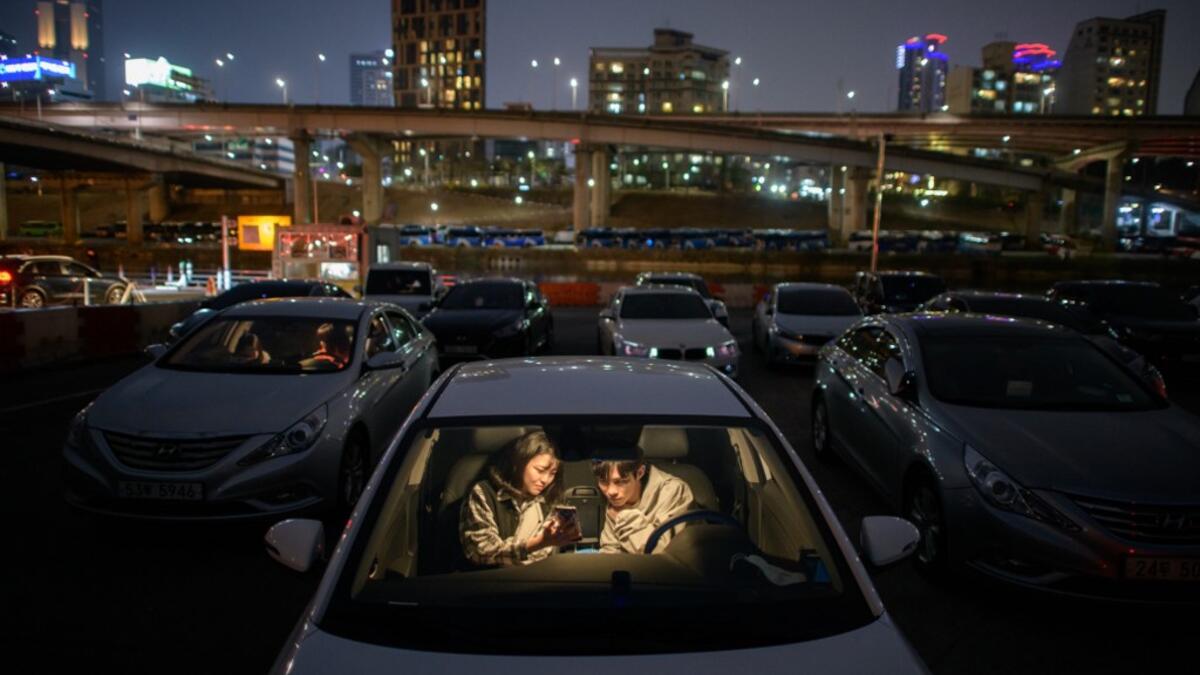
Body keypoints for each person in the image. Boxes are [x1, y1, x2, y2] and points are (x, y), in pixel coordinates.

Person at [460, 430, 581, 567]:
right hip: (491, 581)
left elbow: (546, 554)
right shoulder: (485, 493)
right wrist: (537, 543)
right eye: (540, 470)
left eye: (552, 473)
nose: (545, 480)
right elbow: (481, 551)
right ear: (520, 462)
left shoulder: (549, 501)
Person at [594, 447, 694, 555]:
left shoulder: (673, 491)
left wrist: (624, 517)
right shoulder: (618, 497)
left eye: (621, 482)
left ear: (640, 472)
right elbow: (610, 550)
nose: (611, 491)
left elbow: (662, 555)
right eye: (603, 481)